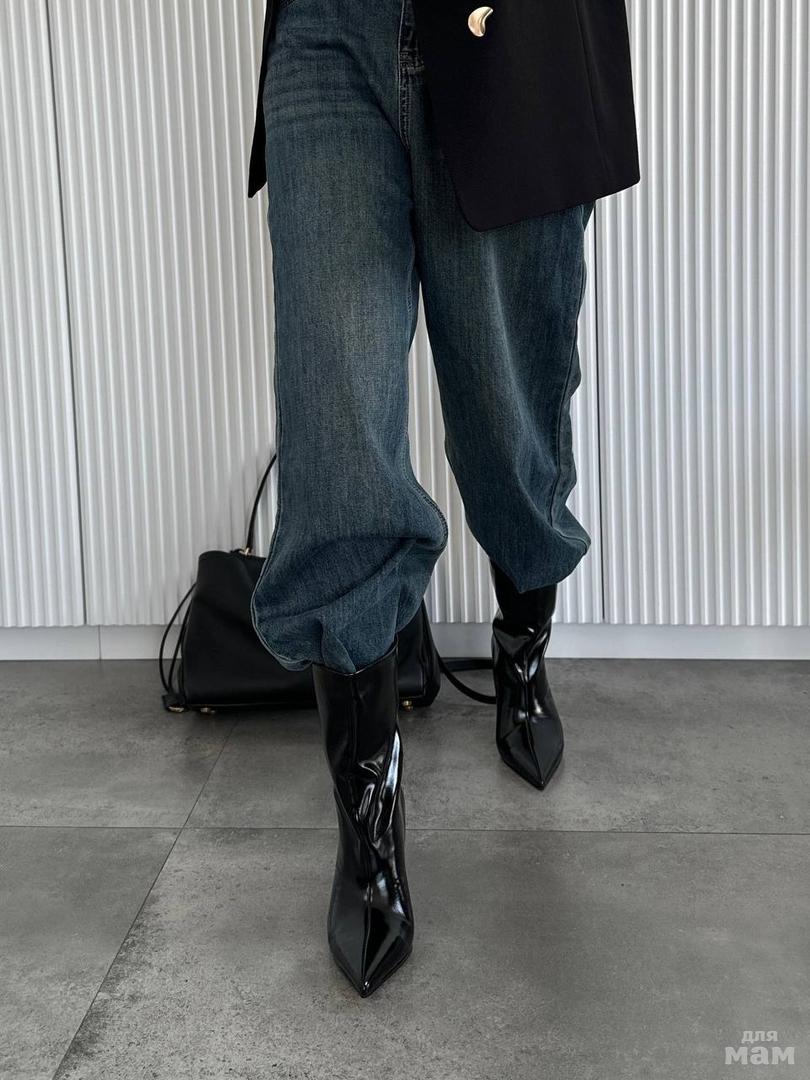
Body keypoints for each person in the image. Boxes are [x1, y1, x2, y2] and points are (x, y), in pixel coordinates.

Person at [246, 0, 640, 996]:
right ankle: (368, 821)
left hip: (515, 42)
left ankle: (521, 650)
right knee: (337, 433)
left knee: (512, 422)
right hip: (327, 38)